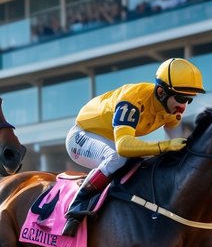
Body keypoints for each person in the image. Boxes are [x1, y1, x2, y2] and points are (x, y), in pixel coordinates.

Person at [60, 58, 204, 235]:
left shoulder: (170, 110)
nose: (183, 107)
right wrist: (164, 146)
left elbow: (178, 148)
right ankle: (77, 205)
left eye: (189, 100)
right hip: (81, 135)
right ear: (161, 92)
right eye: (181, 98)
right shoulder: (133, 100)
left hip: (110, 139)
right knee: (117, 158)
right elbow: (122, 146)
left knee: (142, 164)